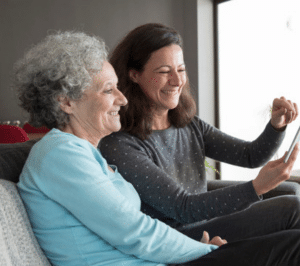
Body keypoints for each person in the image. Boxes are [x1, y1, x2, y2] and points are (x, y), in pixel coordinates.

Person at [14, 30, 300, 266]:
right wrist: (202, 252)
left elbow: (131, 230)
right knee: (293, 249)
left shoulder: (82, 152)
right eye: (108, 90)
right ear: (66, 102)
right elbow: (135, 233)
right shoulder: (61, 156)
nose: (122, 98)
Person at [99, 23, 300, 242]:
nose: (177, 81)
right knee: (292, 207)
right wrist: (256, 187)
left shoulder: (189, 125)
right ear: (134, 75)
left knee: (289, 192)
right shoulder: (121, 144)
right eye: (164, 72)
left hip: (205, 225)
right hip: (177, 240)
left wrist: (276, 126)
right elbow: (182, 208)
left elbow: (251, 156)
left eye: (181, 69)